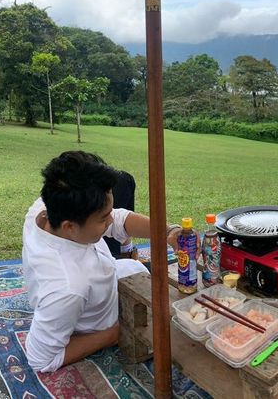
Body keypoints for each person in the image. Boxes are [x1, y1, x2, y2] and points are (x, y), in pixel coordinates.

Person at [22, 150, 181, 373]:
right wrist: (117, 332)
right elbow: (41, 360)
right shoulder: (67, 288)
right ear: (69, 226)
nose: (110, 220)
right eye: (102, 218)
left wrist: (167, 231)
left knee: (149, 273)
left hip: (113, 274)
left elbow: (119, 219)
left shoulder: (44, 209)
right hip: (101, 320)